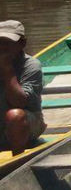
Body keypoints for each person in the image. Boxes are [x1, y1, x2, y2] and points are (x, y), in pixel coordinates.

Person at [0, 20, 43, 154]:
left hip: (25, 125)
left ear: (22, 43)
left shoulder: (31, 65)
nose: (2, 47)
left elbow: (18, 102)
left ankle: (17, 161)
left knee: (15, 116)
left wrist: (7, 70)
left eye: (7, 43)